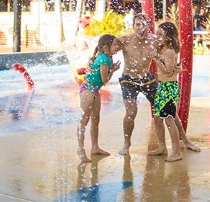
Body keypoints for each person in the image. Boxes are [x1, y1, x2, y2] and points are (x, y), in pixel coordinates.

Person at [116, 13, 167, 155]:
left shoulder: (154, 40)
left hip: (146, 79)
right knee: (131, 112)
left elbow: (170, 49)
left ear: (148, 27)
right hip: (128, 79)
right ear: (133, 27)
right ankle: (126, 143)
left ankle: (163, 145)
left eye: (144, 25)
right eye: (137, 24)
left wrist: (172, 64)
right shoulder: (125, 40)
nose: (141, 28)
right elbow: (106, 47)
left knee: (162, 108)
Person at [151, 22, 201, 162]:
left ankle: (176, 152)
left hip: (168, 88)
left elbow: (167, 71)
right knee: (157, 118)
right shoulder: (162, 48)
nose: (158, 36)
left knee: (169, 120)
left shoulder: (169, 51)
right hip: (162, 87)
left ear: (169, 36)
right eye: (157, 33)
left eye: (161, 34)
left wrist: (156, 59)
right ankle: (162, 147)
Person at [77, 34, 122, 163]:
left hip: (95, 90)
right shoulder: (103, 59)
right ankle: (80, 149)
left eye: (116, 44)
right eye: (114, 44)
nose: (117, 46)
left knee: (95, 119)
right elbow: (104, 80)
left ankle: (95, 147)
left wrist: (112, 68)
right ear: (105, 47)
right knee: (84, 119)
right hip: (88, 88)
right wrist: (113, 70)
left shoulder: (109, 57)